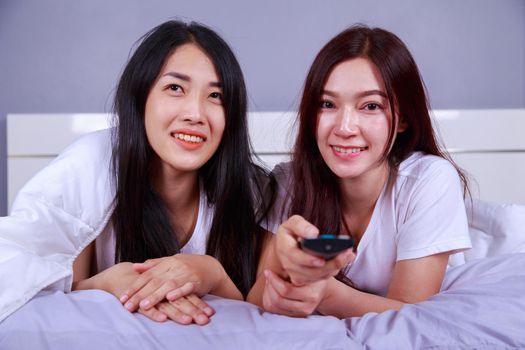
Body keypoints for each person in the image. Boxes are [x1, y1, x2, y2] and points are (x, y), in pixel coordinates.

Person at [0, 20, 274, 325]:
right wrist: (102, 285)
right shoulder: (91, 167)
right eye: (175, 88)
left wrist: (212, 273)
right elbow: (29, 285)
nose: (195, 114)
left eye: (216, 96)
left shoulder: (252, 192)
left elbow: (256, 322)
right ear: (140, 98)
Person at [247, 25, 472, 318]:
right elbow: (254, 301)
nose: (344, 128)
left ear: (403, 118)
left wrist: (324, 294)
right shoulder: (287, 182)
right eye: (327, 104)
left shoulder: (430, 180)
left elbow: (413, 315)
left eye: (370, 106)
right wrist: (279, 257)